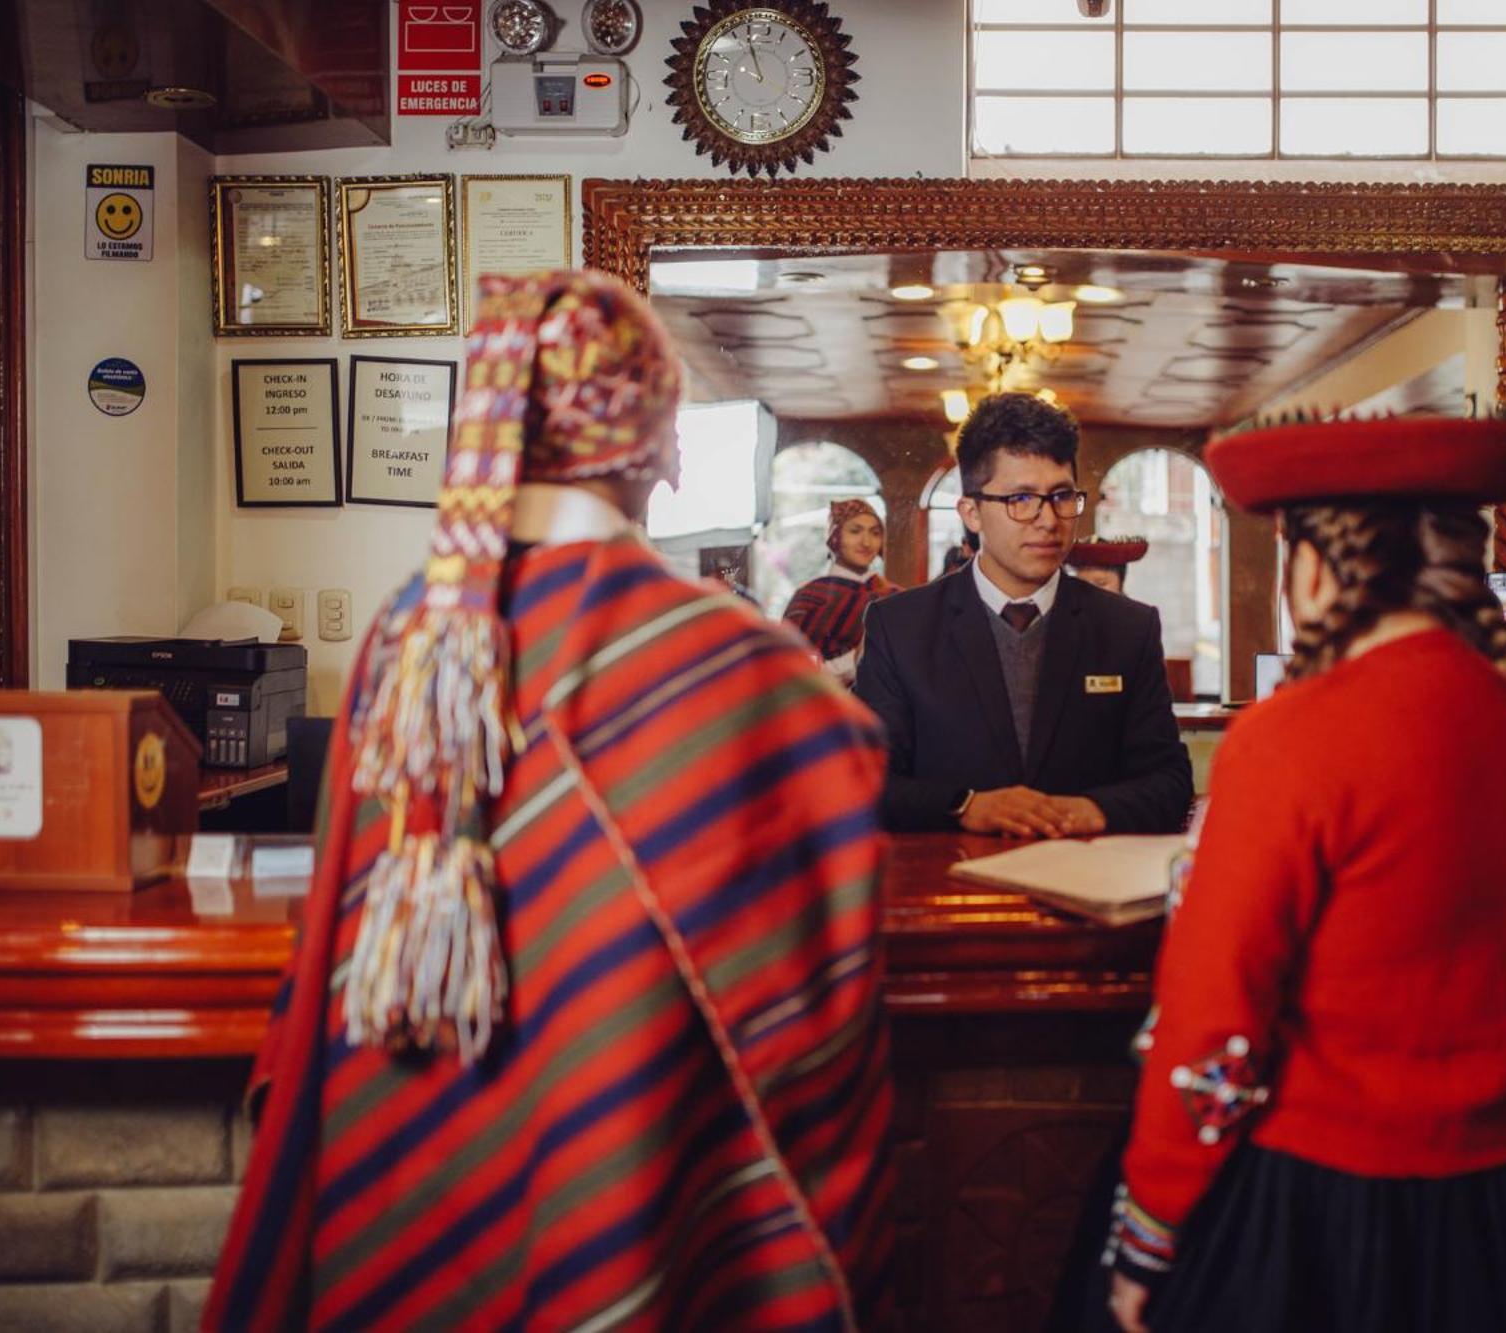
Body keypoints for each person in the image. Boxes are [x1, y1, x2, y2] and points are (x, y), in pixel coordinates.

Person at [207, 272, 892, 1333]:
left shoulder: (408, 635)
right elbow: (834, 850)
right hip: (625, 1158)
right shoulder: (731, 659)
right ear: (660, 450)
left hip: (415, 1155)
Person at [1104, 414, 1506, 1333]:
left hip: (1326, 1215)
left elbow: (1213, 1019)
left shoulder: (1290, 737)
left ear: (1315, 565)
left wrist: (1152, 1226)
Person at [855, 392, 1192, 838]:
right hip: (949, 886)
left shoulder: (1128, 628)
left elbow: (1169, 782)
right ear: (972, 513)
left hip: (1086, 882)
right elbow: (866, 781)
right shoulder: (900, 627)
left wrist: (1088, 810)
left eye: (1061, 496)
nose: (1048, 520)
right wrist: (965, 805)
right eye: (1021, 499)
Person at [782, 498, 901, 685]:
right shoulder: (810, 597)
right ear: (835, 537)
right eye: (855, 531)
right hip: (826, 708)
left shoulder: (895, 598)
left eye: (875, 533)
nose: (866, 542)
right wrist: (855, 660)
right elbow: (791, 672)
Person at [1068, 536, 1150, 596]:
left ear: (1120, 585)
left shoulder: (1138, 618)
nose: (1090, 590)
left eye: (1101, 583)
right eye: (1082, 584)